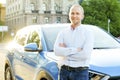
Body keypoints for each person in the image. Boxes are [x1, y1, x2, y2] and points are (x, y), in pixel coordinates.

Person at [54, 4, 94, 80]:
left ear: (82, 16)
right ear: (69, 15)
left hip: (80, 73)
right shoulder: (62, 32)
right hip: (64, 72)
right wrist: (76, 50)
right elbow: (57, 51)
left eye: (77, 13)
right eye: (72, 13)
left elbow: (85, 55)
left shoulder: (88, 33)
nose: (74, 16)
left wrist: (65, 51)